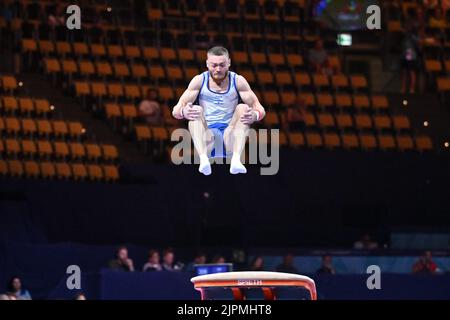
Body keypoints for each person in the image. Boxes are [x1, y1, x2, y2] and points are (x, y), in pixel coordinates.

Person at [172, 46, 266, 175]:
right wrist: (183, 112)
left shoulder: (238, 81)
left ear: (229, 63)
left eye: (222, 65)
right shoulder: (199, 81)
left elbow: (259, 108)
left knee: (243, 108)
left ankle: (236, 160)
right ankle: (204, 159)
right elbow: (175, 110)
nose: (218, 69)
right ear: (207, 64)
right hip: (207, 138)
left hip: (230, 137)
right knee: (195, 110)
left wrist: (254, 115)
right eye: (214, 65)